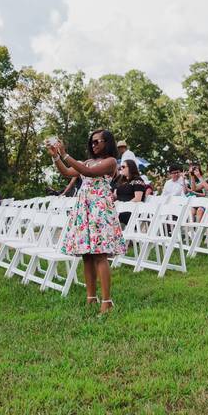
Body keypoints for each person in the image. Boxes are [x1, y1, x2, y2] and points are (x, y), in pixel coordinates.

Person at [48, 129, 125, 314]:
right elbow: (67, 172)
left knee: (100, 255)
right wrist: (56, 157)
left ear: (107, 142)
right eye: (92, 142)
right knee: (87, 255)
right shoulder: (87, 161)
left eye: (98, 141)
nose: (94, 144)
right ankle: (91, 297)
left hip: (100, 209)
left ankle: (107, 301)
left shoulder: (110, 162)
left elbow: (88, 173)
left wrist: (65, 153)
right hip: (84, 210)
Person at [112, 159, 147, 226]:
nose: (121, 169)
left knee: (109, 216)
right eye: (120, 167)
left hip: (131, 211)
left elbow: (137, 199)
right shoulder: (121, 181)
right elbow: (115, 196)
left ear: (131, 167)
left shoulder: (138, 180)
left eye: (123, 167)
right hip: (119, 209)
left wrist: (124, 206)